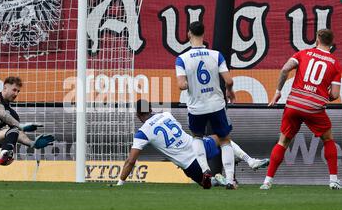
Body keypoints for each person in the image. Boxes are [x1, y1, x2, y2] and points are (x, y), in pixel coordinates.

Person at [115, 99, 269, 188]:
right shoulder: (166, 115)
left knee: (207, 185)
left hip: (189, 163)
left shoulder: (142, 132)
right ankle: (251, 160)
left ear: (137, 114)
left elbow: (131, 161)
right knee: (223, 138)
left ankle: (218, 180)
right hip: (198, 146)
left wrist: (120, 182)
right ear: (150, 108)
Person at [260, 29, 341, 190]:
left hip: (294, 105)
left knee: (283, 141)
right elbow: (335, 94)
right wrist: (324, 95)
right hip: (314, 108)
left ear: (317, 39)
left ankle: (267, 181)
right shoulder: (335, 63)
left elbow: (284, 69)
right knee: (328, 139)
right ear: (331, 44)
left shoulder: (303, 53)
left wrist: (277, 92)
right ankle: (333, 181)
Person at [175, 21, 238, 189]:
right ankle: (231, 180)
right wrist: (230, 91)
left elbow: (181, 85)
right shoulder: (216, 55)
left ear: (189, 34)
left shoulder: (182, 59)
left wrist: (189, 83)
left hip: (197, 107)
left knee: (197, 136)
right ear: (204, 34)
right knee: (225, 140)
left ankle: (205, 169)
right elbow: (229, 80)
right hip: (217, 105)